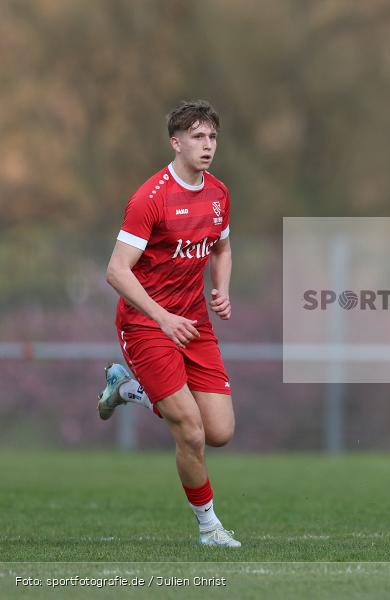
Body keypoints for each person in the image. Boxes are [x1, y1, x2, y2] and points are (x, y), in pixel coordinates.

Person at [96, 99, 241, 546]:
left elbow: (222, 248)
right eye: (197, 137)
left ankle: (127, 389)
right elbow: (116, 270)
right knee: (191, 430)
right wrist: (161, 317)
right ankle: (209, 527)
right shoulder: (150, 198)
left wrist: (222, 288)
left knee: (220, 432)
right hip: (145, 323)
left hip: (193, 323)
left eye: (212, 136)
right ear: (175, 142)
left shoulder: (217, 193)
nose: (207, 145)